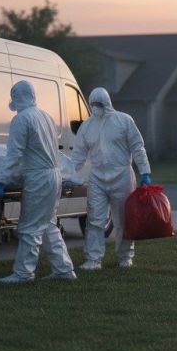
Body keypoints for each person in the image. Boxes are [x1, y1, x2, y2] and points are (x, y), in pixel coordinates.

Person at [0, 80, 77, 283]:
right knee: (48, 225)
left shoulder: (21, 119)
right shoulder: (45, 116)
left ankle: (23, 273)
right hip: (54, 175)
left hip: (38, 178)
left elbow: (14, 154)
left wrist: (3, 180)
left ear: (16, 97)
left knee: (30, 226)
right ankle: (64, 269)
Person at [70, 86, 152, 270]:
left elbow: (137, 146)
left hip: (122, 176)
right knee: (94, 219)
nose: (96, 107)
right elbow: (78, 154)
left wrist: (145, 171)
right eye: (93, 104)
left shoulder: (124, 121)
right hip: (97, 177)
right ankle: (93, 259)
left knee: (123, 219)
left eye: (99, 104)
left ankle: (125, 257)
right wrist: (67, 173)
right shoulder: (87, 126)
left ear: (107, 102)